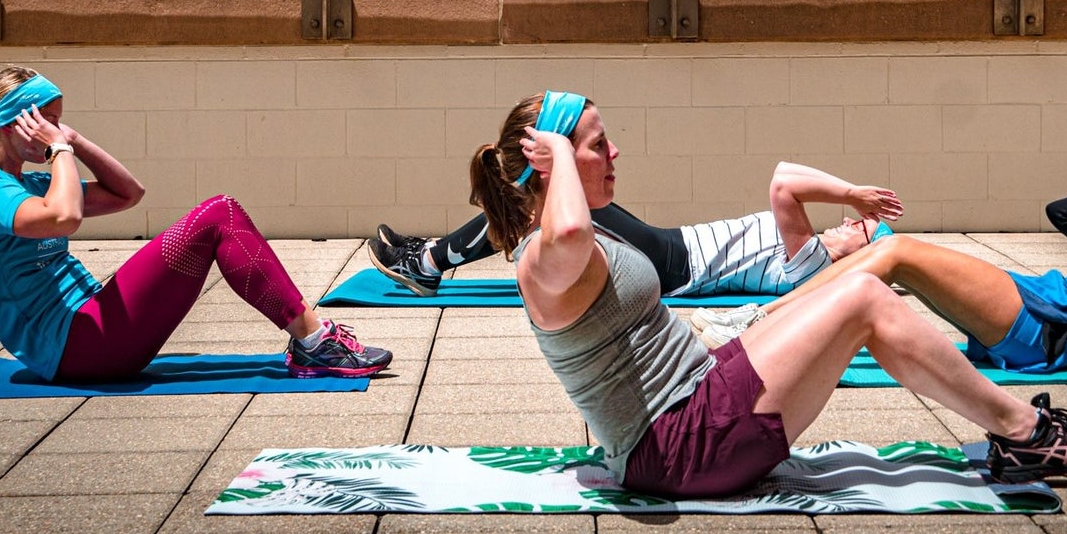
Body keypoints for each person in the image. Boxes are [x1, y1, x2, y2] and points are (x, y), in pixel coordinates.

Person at [470, 90, 1067, 496]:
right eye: (595, 144)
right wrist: (555, 144)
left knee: (860, 279)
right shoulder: (545, 257)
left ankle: (1018, 429)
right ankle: (1024, 431)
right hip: (682, 446)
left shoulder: (567, 243)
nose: (615, 151)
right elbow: (571, 228)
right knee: (867, 302)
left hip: (702, 399)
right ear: (552, 164)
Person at [0, 65, 391, 383]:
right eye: (48, 122)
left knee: (221, 212)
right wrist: (60, 152)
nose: (57, 132)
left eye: (60, 122)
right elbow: (63, 218)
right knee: (218, 214)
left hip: (93, 331)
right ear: (13, 125)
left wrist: (75, 141)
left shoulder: (32, 183)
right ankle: (314, 343)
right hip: (75, 350)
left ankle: (311, 340)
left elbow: (129, 194)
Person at [700, 174, 1067, 374]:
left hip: (1053, 331)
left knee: (896, 253)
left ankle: (752, 324)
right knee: (884, 265)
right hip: (1046, 305)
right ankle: (761, 327)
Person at [370, 163, 902, 345]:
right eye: (860, 216)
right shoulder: (807, 249)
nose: (855, 220)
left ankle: (428, 262)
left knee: (551, 194)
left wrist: (854, 191)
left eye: (862, 229)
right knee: (544, 199)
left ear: (854, 257)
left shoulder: (808, 261)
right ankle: (431, 259)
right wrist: (854, 198)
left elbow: (784, 179)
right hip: (669, 248)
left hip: (674, 267)